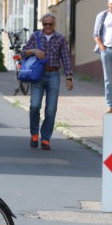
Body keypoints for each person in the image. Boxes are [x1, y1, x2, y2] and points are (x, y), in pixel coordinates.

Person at [22, 13, 73, 151]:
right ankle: (34, 134)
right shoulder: (35, 36)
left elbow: (66, 58)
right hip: (38, 75)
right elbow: (23, 52)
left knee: (51, 110)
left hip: (54, 74)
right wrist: (33, 50)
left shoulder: (60, 38)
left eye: (50, 24)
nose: (48, 26)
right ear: (42, 24)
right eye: (45, 24)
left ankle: (45, 138)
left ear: (54, 24)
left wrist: (69, 77)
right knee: (35, 106)